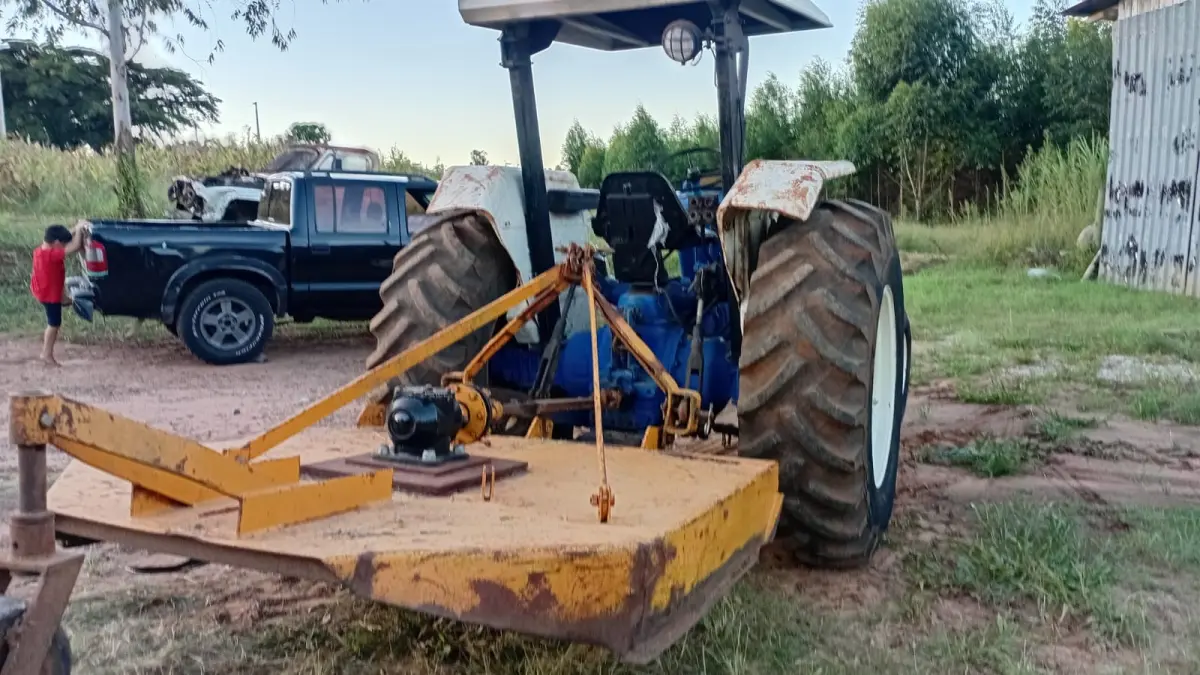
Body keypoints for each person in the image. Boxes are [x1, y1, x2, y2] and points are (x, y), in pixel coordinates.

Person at [30, 221, 87, 366]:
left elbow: (64, 240)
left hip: (44, 289)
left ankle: (64, 298)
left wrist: (75, 228)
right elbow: (74, 247)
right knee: (54, 324)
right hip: (49, 295)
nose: (65, 246)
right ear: (56, 243)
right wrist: (79, 230)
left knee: (58, 308)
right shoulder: (52, 255)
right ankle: (46, 354)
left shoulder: (41, 250)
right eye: (63, 244)